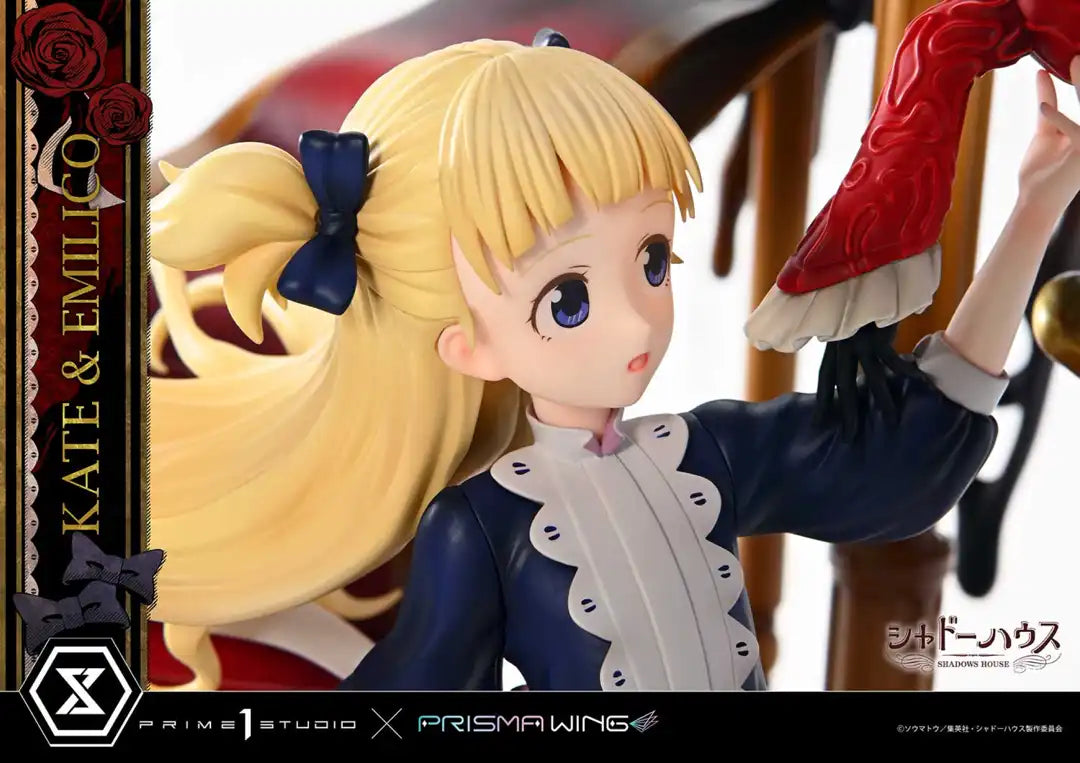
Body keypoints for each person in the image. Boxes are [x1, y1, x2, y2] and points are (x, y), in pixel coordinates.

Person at [149, 27, 1080, 690]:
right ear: (467, 343)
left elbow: (893, 459)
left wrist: (1036, 207)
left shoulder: (705, 456)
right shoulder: (481, 527)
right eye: (568, 299)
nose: (638, 323)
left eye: (653, 259)